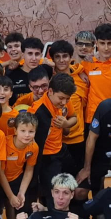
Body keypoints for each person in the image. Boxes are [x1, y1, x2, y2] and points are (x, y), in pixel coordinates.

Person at [28, 73, 77, 203]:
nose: (64, 102)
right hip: (46, 158)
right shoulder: (36, 111)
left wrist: (66, 124)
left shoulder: (64, 101)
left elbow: (74, 118)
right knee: (53, 196)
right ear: (50, 91)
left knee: (73, 188)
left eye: (67, 99)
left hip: (61, 151)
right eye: (61, 98)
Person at [49, 40, 88, 179]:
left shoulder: (81, 77)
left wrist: (80, 71)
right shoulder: (49, 79)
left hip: (77, 138)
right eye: (57, 57)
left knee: (78, 181)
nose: (61, 60)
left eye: (65, 56)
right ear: (52, 59)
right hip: (55, 141)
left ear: (71, 57)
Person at [0, 112, 39, 219]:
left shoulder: (34, 147)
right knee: (6, 201)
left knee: (20, 202)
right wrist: (11, 196)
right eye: (23, 131)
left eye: (31, 131)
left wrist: (21, 193)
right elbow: (0, 172)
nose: (27, 135)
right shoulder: (5, 143)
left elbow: (29, 170)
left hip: (16, 178)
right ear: (15, 130)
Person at [6, 37, 53, 106]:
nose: (34, 58)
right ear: (23, 55)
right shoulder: (11, 74)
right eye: (30, 54)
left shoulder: (47, 70)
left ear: (41, 55)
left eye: (37, 54)